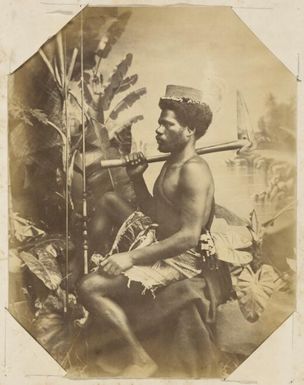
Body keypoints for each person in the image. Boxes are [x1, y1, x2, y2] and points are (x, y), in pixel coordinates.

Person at [77, 85, 215, 377]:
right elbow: (157, 215)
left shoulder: (193, 170)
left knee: (88, 288)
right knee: (110, 200)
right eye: (160, 123)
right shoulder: (171, 161)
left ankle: (140, 358)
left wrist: (131, 258)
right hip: (159, 237)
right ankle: (100, 259)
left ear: (189, 130)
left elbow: (188, 236)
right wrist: (137, 180)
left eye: (168, 125)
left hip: (180, 257)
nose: (158, 131)